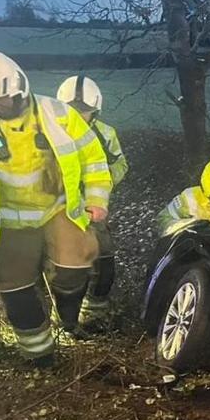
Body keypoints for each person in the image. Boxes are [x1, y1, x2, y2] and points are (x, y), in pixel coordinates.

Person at [0, 52, 111, 364]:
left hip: (60, 209)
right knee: (12, 283)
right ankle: (40, 356)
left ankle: (68, 318)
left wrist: (97, 201)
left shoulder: (58, 114)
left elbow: (94, 158)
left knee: (73, 270)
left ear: (18, 89)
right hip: (9, 220)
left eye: (1, 100)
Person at [57, 75, 126, 323]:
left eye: (84, 110)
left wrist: (102, 182)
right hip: (56, 210)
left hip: (91, 210)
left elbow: (120, 164)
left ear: (95, 110)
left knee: (104, 260)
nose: (78, 115)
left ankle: (94, 314)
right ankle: (61, 317)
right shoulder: (47, 135)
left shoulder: (105, 134)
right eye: (73, 109)